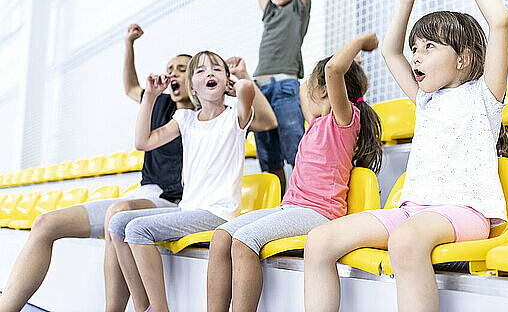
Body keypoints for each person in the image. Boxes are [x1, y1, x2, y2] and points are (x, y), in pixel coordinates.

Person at [303, 0, 508, 312]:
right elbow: (389, 51)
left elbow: (501, 23)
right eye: (415, 48)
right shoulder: (426, 100)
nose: (415, 56)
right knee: (319, 241)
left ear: (462, 59)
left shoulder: (485, 96)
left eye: (429, 47)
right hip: (412, 210)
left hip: (465, 211)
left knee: (405, 240)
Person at [0, 24, 192, 312]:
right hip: (146, 193)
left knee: (118, 213)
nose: (174, 72)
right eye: (170, 67)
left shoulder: (207, 115)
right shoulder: (159, 103)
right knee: (45, 223)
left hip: (172, 202)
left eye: (183, 68)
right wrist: (128, 43)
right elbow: (130, 87)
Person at [206, 33, 384, 312]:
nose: (304, 91)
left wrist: (360, 43)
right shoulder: (315, 122)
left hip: (318, 212)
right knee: (221, 236)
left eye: (313, 85)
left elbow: (332, 70)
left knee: (244, 240)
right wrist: (244, 75)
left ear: (325, 90)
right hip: (291, 208)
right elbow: (306, 87)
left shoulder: (344, 120)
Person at [107, 50, 277, 312]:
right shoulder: (184, 119)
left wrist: (239, 79)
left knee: (138, 230)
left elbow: (245, 90)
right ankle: (143, 305)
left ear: (226, 81)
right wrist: (150, 97)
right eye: (200, 71)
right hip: (188, 209)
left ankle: (159, 309)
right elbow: (142, 142)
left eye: (216, 70)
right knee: (117, 223)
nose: (209, 73)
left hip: (217, 213)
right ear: (192, 88)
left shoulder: (235, 117)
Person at [233, 0, 313, 193]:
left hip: (285, 86)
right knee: (268, 155)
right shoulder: (269, 12)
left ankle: (303, 196)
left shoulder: (298, 9)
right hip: (258, 88)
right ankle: (277, 203)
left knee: (294, 145)